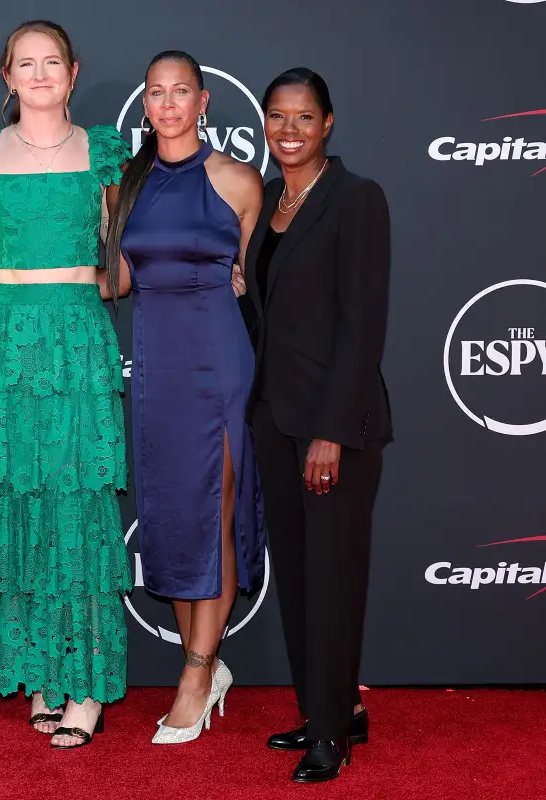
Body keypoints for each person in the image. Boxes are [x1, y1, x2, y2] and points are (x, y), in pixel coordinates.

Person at [0, 19, 133, 750]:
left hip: (76, 338)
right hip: (3, 340)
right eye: (25, 63)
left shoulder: (104, 153)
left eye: (51, 61)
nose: (39, 73)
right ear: (6, 76)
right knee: (13, 502)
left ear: (74, 71)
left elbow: (125, 259)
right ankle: (40, 674)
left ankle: (84, 683)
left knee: (76, 504)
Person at [103, 50, 267, 745]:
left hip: (221, 360)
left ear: (204, 102)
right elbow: (113, 283)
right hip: (159, 369)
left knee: (217, 510)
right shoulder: (124, 187)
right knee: (173, 514)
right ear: (145, 105)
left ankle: (198, 672)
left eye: (181, 92)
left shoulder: (239, 181)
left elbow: (250, 279)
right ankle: (205, 663)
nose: (168, 104)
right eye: (156, 93)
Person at [244, 68, 392, 783]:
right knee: (301, 579)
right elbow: (274, 319)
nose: (289, 130)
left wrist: (331, 431)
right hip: (275, 416)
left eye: (304, 117)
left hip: (335, 426)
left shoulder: (357, 200)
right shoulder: (270, 201)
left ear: (327, 123)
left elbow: (362, 325)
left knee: (332, 578)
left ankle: (332, 732)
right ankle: (324, 709)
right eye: (278, 117)